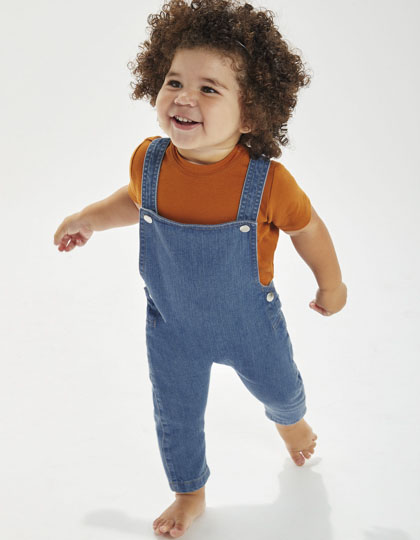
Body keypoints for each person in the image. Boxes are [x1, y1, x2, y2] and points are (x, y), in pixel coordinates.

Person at [53, 0, 347, 537]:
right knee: (176, 416)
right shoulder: (150, 161)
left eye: (209, 89)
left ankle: (290, 422)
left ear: (251, 114)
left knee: (282, 389)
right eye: (174, 82)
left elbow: (308, 229)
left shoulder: (268, 182)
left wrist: (332, 282)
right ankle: (189, 492)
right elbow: (133, 201)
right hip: (174, 328)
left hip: (250, 326)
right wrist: (88, 219)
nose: (184, 97)